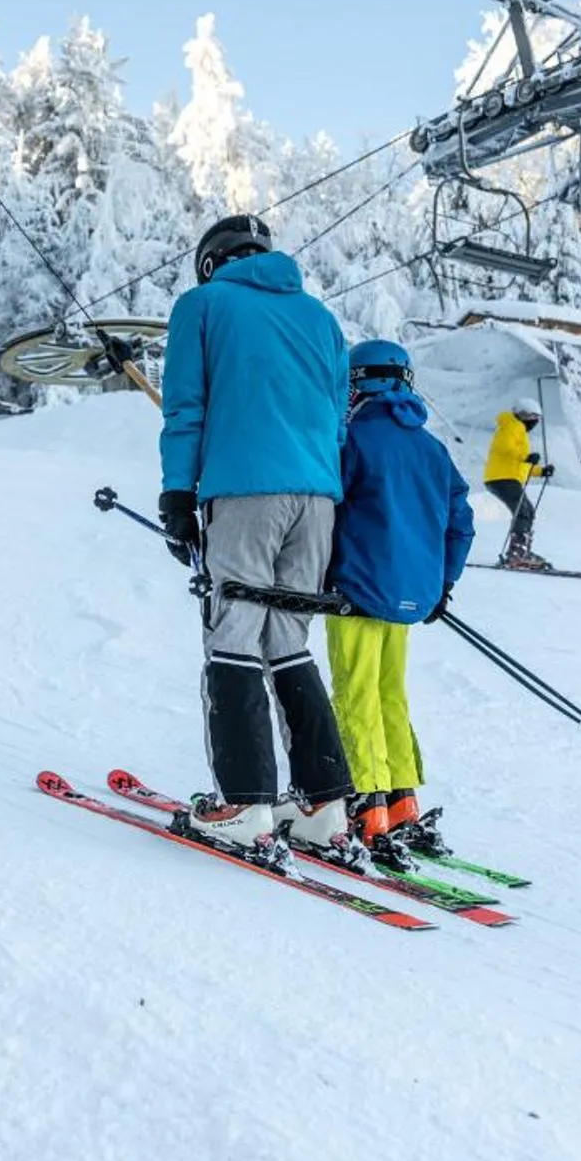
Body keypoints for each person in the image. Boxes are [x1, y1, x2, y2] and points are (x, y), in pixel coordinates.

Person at [156, 214, 363, 870]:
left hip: (244, 491)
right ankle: (321, 804)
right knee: (288, 641)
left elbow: (185, 407)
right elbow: (336, 421)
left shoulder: (202, 305)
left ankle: (244, 804)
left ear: (212, 262)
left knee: (234, 633)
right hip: (317, 498)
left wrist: (178, 496)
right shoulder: (322, 319)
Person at [326, 339, 474, 869]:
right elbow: (462, 520)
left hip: (358, 593)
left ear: (359, 382)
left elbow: (328, 506)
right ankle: (401, 799)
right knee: (391, 693)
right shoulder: (433, 449)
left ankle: (364, 805)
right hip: (411, 599)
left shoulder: (355, 438)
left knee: (356, 692)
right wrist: (442, 585)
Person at [483, 395, 554, 569]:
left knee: (527, 511)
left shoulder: (517, 430)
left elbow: (519, 463)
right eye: (533, 419)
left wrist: (540, 471)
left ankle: (521, 550)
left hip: (506, 477)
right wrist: (526, 456)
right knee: (523, 512)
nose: (534, 423)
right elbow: (506, 448)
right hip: (502, 478)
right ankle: (517, 554)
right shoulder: (511, 426)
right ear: (525, 416)